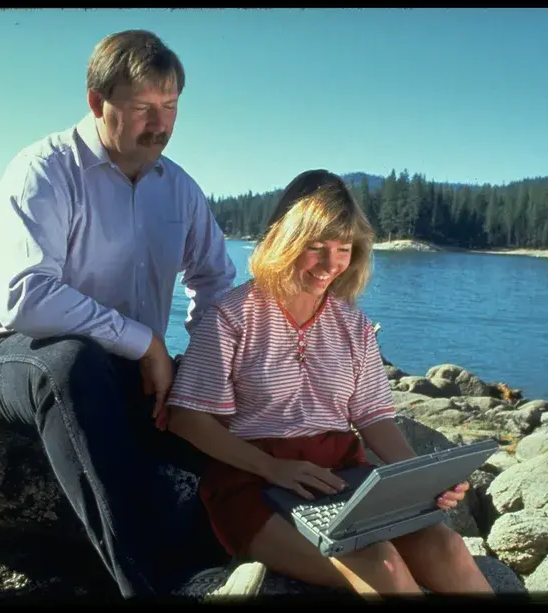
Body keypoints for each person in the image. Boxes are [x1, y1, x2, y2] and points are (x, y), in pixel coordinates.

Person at [0, 30, 236, 598]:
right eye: (143, 107)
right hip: (8, 355)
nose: (160, 124)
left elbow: (214, 284)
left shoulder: (180, 190)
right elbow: (26, 296)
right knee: (73, 364)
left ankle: (253, 553)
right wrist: (147, 344)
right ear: (96, 101)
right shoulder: (44, 169)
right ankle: (154, 586)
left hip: (122, 366)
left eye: (170, 106)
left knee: (226, 394)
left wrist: (207, 367)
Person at [165, 170, 494, 598]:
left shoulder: (352, 324)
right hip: (254, 484)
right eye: (316, 247)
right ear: (284, 240)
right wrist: (273, 468)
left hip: (344, 480)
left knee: (448, 548)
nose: (330, 265)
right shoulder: (232, 317)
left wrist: (422, 479)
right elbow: (186, 419)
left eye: (343, 249)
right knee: (382, 565)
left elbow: (373, 418)